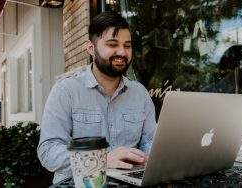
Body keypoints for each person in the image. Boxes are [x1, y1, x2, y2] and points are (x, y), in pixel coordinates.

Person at [37, 11, 156, 184]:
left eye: (127, 45)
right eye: (112, 44)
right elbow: (48, 151)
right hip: (79, 183)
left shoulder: (140, 93)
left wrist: (151, 159)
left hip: (129, 182)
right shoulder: (66, 91)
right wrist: (102, 160)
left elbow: (150, 141)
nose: (122, 52)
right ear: (91, 48)